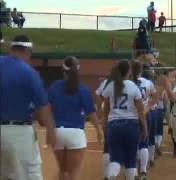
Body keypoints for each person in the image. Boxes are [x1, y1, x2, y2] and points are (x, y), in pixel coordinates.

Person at [0, 35, 56, 180]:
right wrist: (51, 130)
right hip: (19, 132)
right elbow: (43, 107)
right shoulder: (28, 72)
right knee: (26, 174)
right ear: (27, 51)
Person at [48, 56, 102, 180]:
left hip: (57, 132)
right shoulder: (83, 89)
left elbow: (47, 109)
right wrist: (98, 130)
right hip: (76, 133)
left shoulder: (54, 86)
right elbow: (91, 113)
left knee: (62, 170)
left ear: (63, 70)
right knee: (73, 173)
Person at [102, 60, 148, 180]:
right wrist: (144, 127)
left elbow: (105, 109)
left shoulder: (111, 85)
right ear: (129, 71)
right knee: (130, 161)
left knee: (115, 158)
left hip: (114, 124)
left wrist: (105, 126)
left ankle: (111, 174)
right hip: (131, 125)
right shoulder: (133, 86)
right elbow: (141, 110)